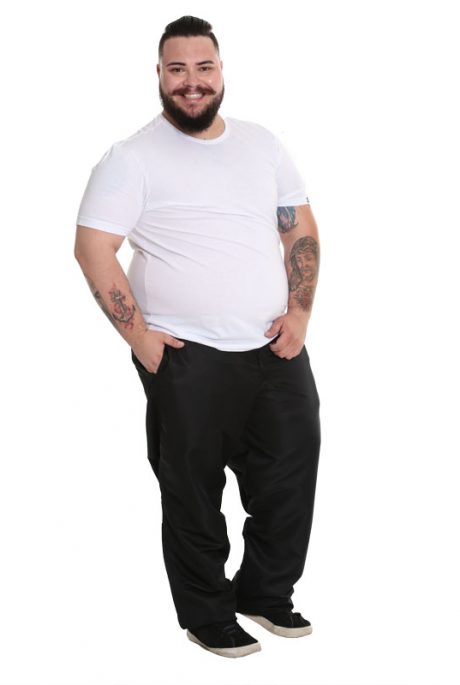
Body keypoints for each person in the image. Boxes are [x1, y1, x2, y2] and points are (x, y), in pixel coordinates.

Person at [74, 15, 321, 659]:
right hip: (186, 354)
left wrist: (299, 315)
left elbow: (298, 229)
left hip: (275, 347)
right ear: (159, 75)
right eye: (177, 69)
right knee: (193, 492)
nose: (192, 82)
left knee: (290, 476)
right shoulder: (132, 158)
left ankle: (265, 594)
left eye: (203, 68)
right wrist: (141, 340)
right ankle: (207, 615)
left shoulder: (262, 144)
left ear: (220, 71)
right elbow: (93, 248)